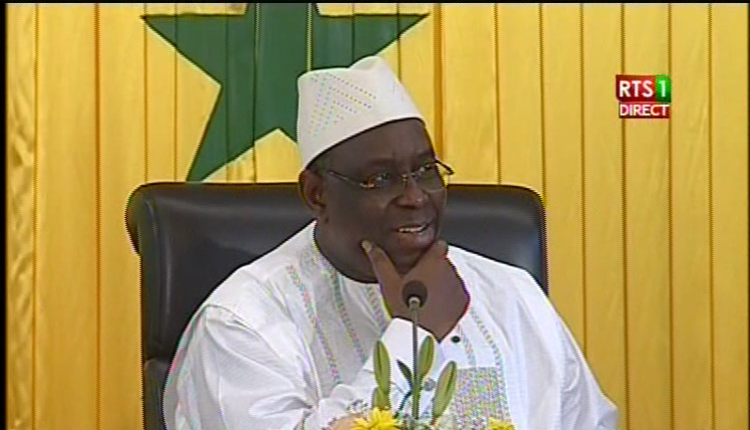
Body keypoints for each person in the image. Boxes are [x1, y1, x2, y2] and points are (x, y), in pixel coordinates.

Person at [162, 56, 618, 430]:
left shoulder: (510, 294)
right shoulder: (242, 322)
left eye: (426, 171)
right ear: (317, 195)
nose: (415, 197)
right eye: (380, 179)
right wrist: (414, 337)